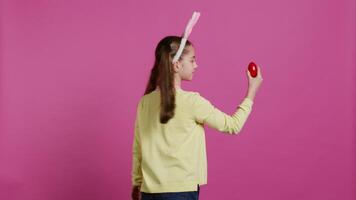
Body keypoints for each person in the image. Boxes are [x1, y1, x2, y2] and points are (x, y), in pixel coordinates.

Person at [131, 36, 263, 200]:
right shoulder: (192, 102)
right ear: (177, 65)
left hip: (148, 192)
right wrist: (252, 91)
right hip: (181, 191)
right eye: (192, 60)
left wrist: (137, 184)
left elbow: (138, 147)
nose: (196, 65)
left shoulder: (145, 102)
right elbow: (233, 125)